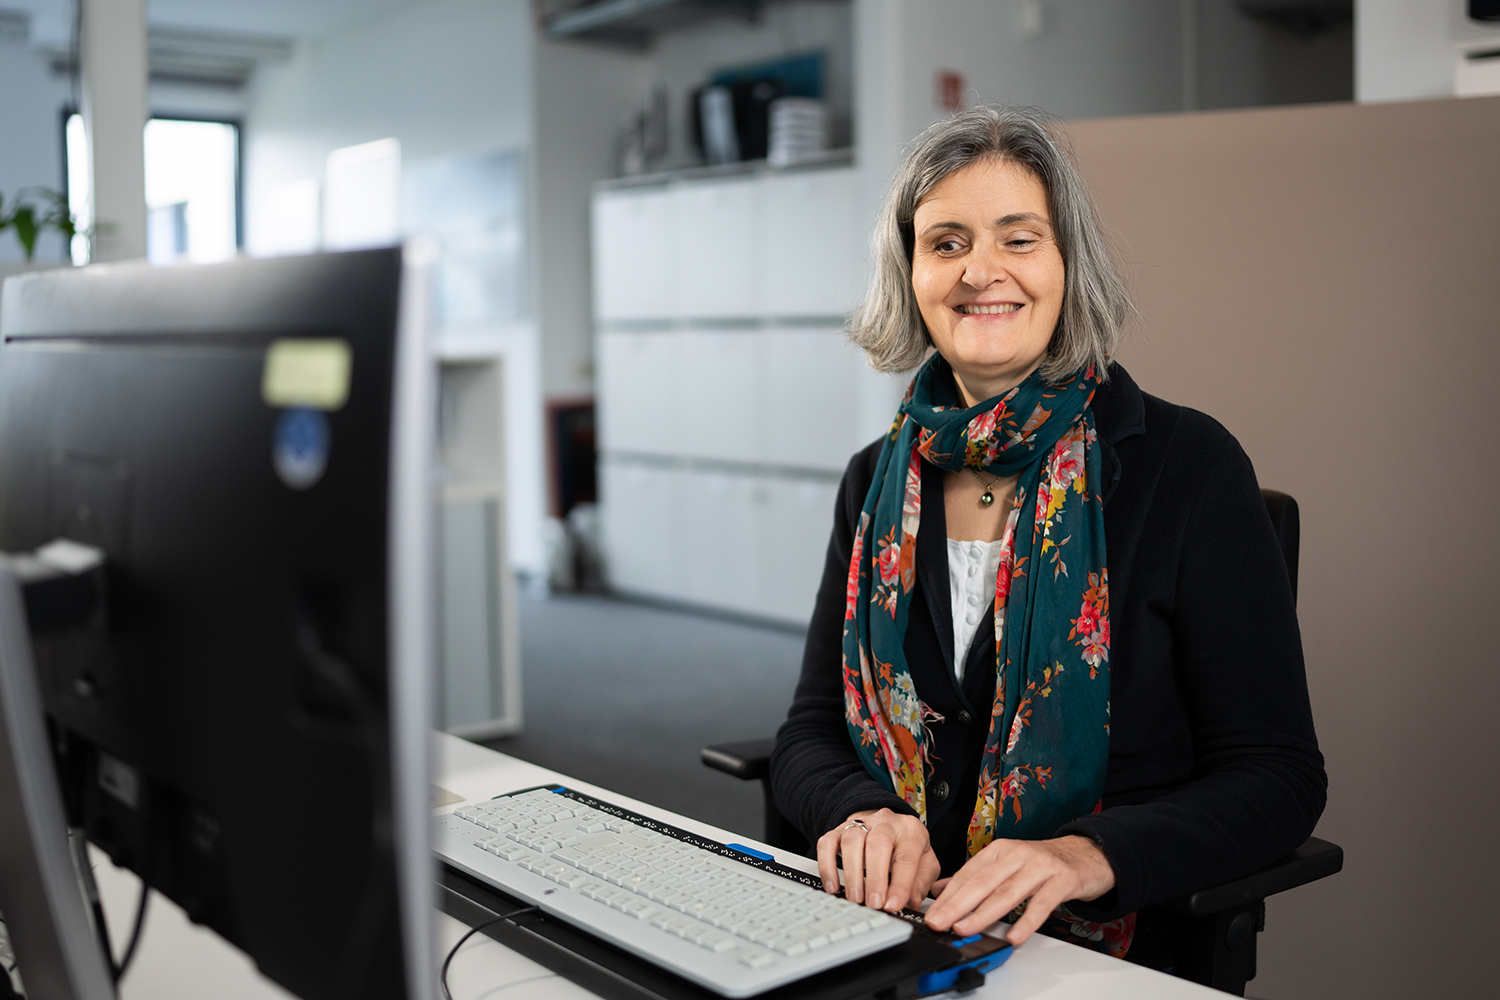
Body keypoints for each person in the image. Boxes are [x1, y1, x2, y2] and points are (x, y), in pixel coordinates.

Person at [769, 105, 1326, 959]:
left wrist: (1085, 854)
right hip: (889, 927)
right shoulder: (874, 479)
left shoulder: (1189, 465)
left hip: (1101, 949)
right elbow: (810, 729)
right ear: (910, 274)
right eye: (946, 243)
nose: (979, 271)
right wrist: (862, 809)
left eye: (1019, 239)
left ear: (1069, 264)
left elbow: (1278, 776)